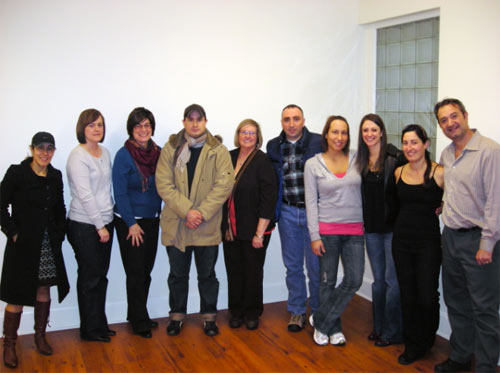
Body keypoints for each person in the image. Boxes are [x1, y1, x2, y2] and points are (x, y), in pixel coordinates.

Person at [433, 98, 500, 373]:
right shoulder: (447, 154)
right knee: (456, 301)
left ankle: (485, 366)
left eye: (453, 116)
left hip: (479, 241)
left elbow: (495, 202)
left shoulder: (490, 151)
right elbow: (453, 190)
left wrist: (487, 243)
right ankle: (461, 356)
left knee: (484, 309)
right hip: (450, 238)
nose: (450, 123)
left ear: (465, 115)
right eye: (444, 120)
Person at [155, 104, 233, 337]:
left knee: (207, 275)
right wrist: (188, 211)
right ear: (184, 122)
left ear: (206, 122)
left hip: (206, 225)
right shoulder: (171, 148)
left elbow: (224, 185)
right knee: (177, 275)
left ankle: (209, 317)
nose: (195, 123)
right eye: (190, 119)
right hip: (178, 223)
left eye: (199, 119)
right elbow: (164, 184)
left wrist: (200, 213)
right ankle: (176, 316)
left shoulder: (218, 150)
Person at [0, 132, 70, 368]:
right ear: (31, 149)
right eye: (40, 148)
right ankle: (9, 344)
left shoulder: (55, 176)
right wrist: (13, 232)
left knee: (43, 290)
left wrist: (59, 234)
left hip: (48, 243)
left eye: (50, 148)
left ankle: (40, 336)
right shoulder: (17, 173)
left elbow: (60, 208)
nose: (44, 153)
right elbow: (0, 205)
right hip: (22, 245)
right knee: (16, 296)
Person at [305, 115, 365, 346]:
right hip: (327, 231)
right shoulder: (313, 164)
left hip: (355, 231)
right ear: (326, 135)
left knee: (354, 279)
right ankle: (333, 328)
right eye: (335, 132)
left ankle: (320, 320)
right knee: (327, 282)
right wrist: (314, 236)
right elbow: (311, 201)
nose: (339, 137)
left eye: (344, 133)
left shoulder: (358, 159)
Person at [266, 104, 322, 332]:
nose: (291, 124)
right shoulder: (273, 146)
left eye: (296, 119)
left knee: (316, 266)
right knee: (293, 266)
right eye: (287, 119)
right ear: (281, 122)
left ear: (303, 120)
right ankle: (297, 310)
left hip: (314, 214)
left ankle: (319, 311)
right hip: (288, 212)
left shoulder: (319, 142)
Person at [392, 124, 444, 365]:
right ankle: (413, 344)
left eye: (414, 142)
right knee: (408, 294)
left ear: (426, 144)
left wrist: (444, 206)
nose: (409, 147)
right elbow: (394, 205)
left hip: (428, 242)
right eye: (405, 142)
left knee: (427, 295)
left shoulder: (439, 173)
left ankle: (426, 338)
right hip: (401, 241)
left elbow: (455, 199)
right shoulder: (398, 172)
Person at [222, 119, 278, 331]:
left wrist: (259, 234)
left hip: (255, 228)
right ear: (238, 134)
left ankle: (252, 312)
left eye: (252, 133)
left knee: (253, 272)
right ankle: (236, 311)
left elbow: (268, 198)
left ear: (257, 137)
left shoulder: (262, 161)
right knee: (234, 270)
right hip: (231, 228)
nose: (247, 136)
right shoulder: (229, 156)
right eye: (244, 132)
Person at [355, 113, 405, 347]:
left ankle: (394, 331)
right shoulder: (360, 160)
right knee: (378, 281)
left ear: (382, 132)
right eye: (365, 130)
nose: (370, 134)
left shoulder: (396, 157)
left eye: (374, 130)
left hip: (393, 229)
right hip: (372, 230)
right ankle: (379, 326)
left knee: (393, 280)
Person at [112, 107, 162, 339]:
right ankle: (139, 320)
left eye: (147, 125)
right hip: (130, 223)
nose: (143, 130)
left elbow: (165, 186)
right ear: (131, 130)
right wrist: (131, 223)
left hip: (152, 220)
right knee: (135, 272)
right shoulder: (124, 155)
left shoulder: (159, 153)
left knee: (146, 272)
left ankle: (137, 314)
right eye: (138, 126)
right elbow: (120, 194)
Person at [66, 109, 115, 342]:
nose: (97, 129)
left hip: (106, 221)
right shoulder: (78, 156)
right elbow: (85, 196)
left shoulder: (104, 152)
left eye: (100, 125)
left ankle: (99, 324)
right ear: (82, 129)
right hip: (85, 225)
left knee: (100, 277)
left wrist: (108, 220)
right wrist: (99, 226)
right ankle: (90, 330)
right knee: (90, 278)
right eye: (92, 125)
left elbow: (105, 189)